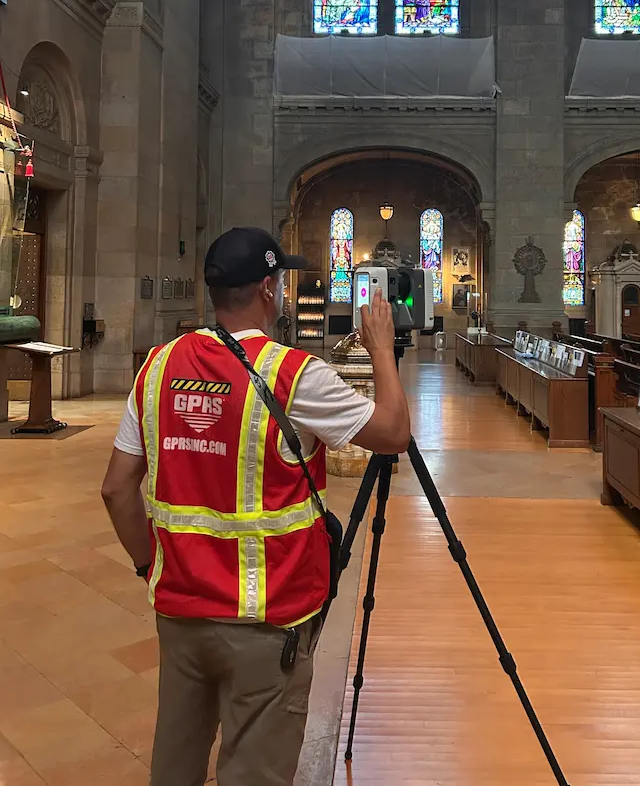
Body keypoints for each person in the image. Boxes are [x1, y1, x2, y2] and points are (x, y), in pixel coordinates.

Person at [100, 227, 410, 786]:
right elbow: (392, 432)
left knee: (175, 763)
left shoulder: (158, 368)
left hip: (181, 613)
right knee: (255, 771)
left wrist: (150, 566)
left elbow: (117, 488)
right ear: (269, 288)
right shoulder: (294, 375)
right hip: (266, 619)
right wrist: (382, 350)